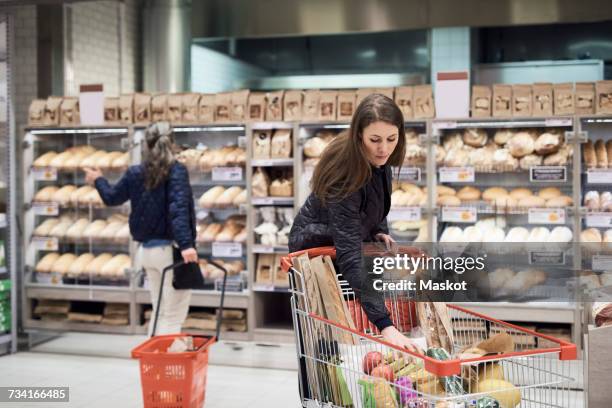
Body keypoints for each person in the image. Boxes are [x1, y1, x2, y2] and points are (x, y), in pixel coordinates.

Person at [289, 93, 420, 352]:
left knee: (355, 349)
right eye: (375, 140)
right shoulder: (345, 178)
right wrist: (385, 325)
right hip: (316, 257)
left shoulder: (380, 161)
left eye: (391, 139)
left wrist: (378, 230)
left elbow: (376, 203)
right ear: (359, 135)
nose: (383, 148)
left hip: (340, 250)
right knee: (328, 350)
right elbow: (349, 254)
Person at [83, 121, 197, 335]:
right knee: (173, 314)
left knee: (159, 309)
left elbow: (112, 197)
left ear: (146, 144)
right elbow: (178, 209)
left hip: (147, 252)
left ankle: (152, 361)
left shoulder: (135, 172)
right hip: (170, 252)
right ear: (172, 142)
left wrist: (98, 180)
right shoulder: (176, 171)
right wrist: (187, 245)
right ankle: (165, 363)